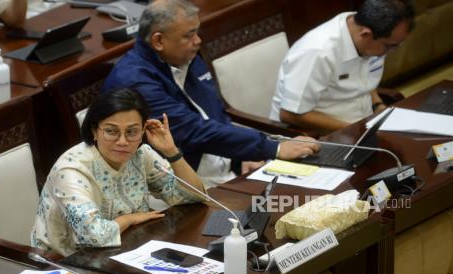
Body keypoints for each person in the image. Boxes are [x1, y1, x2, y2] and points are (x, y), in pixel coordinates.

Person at [102, 0, 319, 187]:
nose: (198, 41)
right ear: (159, 41)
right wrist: (273, 148)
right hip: (177, 182)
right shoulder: (134, 82)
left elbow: (215, 114)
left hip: (225, 168)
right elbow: (194, 131)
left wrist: (240, 159)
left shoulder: (184, 56)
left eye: (196, 31)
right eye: (189, 35)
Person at [31, 88, 206, 257]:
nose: (122, 141)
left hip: (128, 247)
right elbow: (93, 234)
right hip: (64, 261)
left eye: (132, 132)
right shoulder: (71, 170)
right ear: (94, 130)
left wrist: (171, 151)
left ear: (143, 130)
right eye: (111, 131)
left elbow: (193, 196)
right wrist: (129, 219)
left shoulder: (141, 154)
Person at [269, 0, 415, 135]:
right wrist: (357, 131)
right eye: (390, 46)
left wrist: (377, 105)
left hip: (364, 124)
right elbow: (290, 114)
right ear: (365, 34)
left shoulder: (369, 36)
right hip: (318, 134)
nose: (392, 51)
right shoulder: (318, 52)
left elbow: (363, 76)